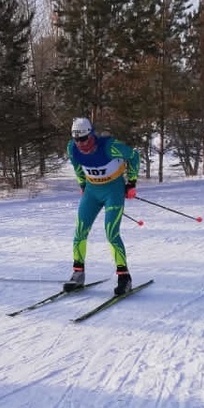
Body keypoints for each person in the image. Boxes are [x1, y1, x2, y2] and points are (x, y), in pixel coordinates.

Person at [64, 117, 140, 297]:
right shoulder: (72, 148)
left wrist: (131, 183)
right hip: (92, 191)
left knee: (111, 233)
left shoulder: (110, 146)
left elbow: (133, 156)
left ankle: (124, 277)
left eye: (84, 139)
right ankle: (78, 273)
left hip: (113, 190)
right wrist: (82, 185)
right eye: (77, 139)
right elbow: (77, 167)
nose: (81, 144)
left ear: (91, 134)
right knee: (80, 231)